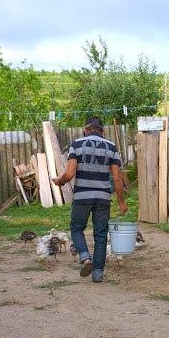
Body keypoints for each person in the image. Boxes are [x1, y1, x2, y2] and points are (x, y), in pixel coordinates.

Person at [53, 116, 128, 282]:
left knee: (77, 228)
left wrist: (60, 181)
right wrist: (122, 202)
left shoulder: (77, 144)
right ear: (102, 130)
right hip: (103, 198)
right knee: (101, 234)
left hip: (82, 196)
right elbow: (117, 178)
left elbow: (70, 173)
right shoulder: (112, 147)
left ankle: (86, 257)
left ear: (85, 129)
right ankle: (98, 273)